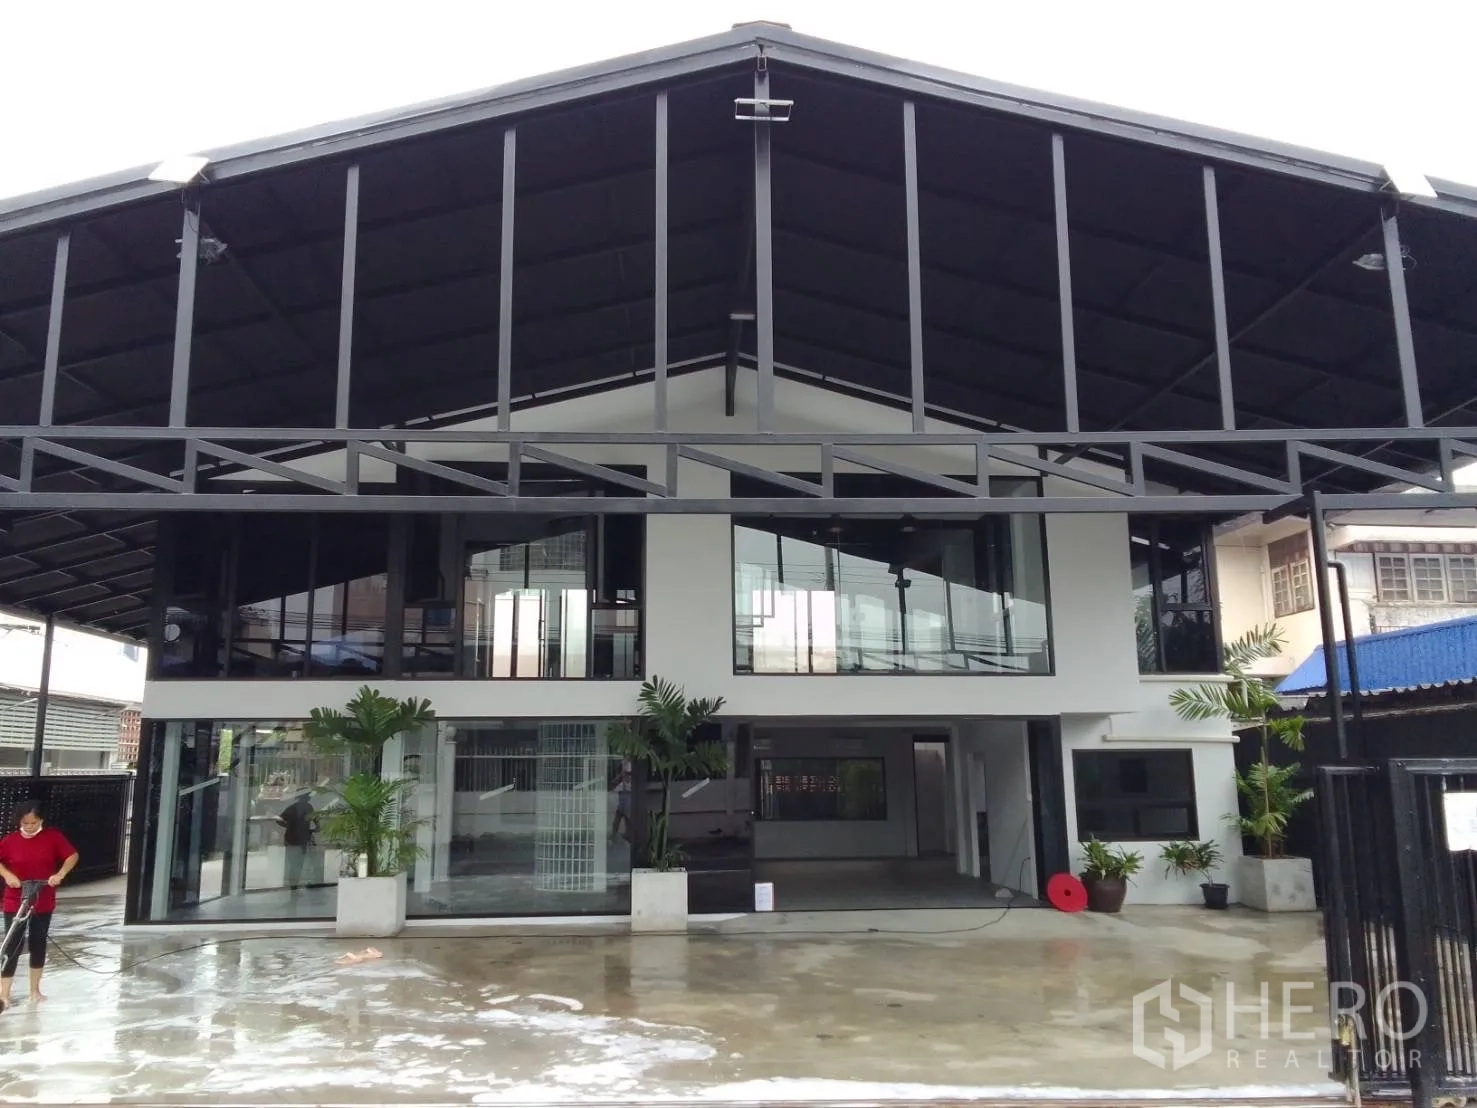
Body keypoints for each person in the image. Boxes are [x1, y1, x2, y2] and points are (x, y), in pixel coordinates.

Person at [0, 801, 79, 1009]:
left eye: (33, 823)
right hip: (15, 899)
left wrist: (59, 874)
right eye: (25, 823)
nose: (29, 827)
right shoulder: (9, 841)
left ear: (41, 820)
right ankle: (4, 994)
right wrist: (7, 875)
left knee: (38, 942)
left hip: (42, 899)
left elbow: (72, 856)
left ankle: (35, 990)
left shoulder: (53, 837)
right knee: (12, 944)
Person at [275, 791, 315, 893]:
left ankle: (293, 884)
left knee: (293, 862)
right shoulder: (308, 807)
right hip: (300, 838)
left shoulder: (293, 808)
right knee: (298, 862)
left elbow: (279, 820)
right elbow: (316, 820)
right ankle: (294, 883)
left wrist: (288, 826)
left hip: (292, 838)